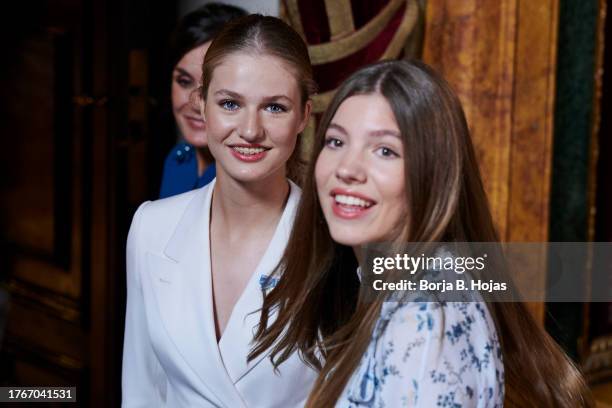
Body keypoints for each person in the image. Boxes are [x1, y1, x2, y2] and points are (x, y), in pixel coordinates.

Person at [251, 60, 594, 407]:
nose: (347, 169)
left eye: (385, 151)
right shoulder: (411, 283)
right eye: (336, 141)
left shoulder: (424, 320)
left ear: (432, 173)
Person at [122, 15, 318, 407]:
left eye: (275, 108)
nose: (249, 130)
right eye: (230, 103)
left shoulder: (340, 243)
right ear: (203, 106)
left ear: (304, 116)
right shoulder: (150, 227)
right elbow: (142, 390)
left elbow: (471, 275)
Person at [159, 3, 246, 199]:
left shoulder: (247, 179)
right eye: (184, 81)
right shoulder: (178, 160)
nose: (195, 102)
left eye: (211, 86)